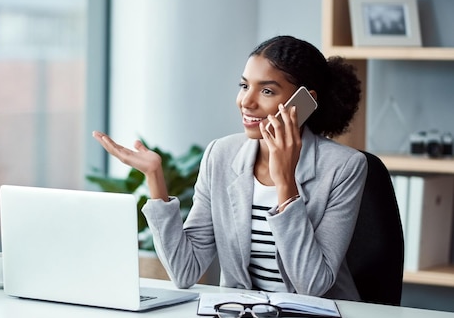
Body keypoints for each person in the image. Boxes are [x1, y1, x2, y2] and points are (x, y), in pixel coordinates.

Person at [92, 35, 367, 300]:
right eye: (244, 85)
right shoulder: (220, 155)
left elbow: (312, 286)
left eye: (267, 91)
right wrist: (155, 179)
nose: (246, 101)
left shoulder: (344, 168)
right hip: (241, 317)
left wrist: (285, 183)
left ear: (304, 102)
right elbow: (184, 272)